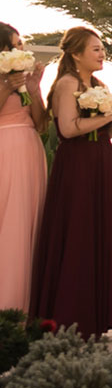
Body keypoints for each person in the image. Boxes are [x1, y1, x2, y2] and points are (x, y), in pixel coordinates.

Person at [29, 26, 112, 336]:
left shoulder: (98, 84)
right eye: (95, 48)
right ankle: (69, 315)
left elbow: (108, 129)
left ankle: (94, 314)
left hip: (100, 160)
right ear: (76, 54)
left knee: (98, 233)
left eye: (102, 47)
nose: (102, 53)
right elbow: (67, 128)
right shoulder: (66, 84)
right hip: (76, 165)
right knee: (77, 232)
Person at [0, 23, 48, 312]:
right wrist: (6, 86)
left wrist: (34, 88)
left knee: (30, 222)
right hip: (6, 151)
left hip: (31, 150)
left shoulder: (25, 81)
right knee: (10, 221)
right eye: (15, 45)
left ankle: (27, 307)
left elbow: (41, 125)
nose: (21, 49)